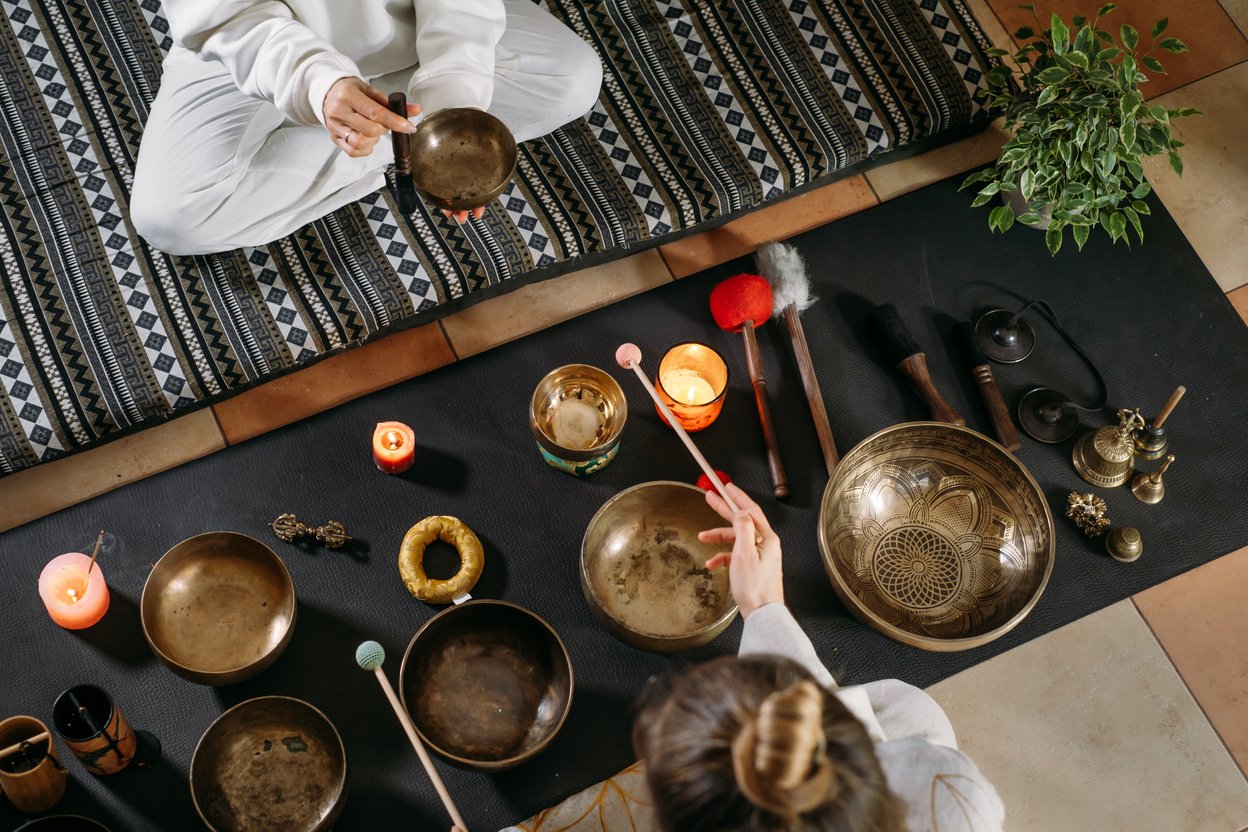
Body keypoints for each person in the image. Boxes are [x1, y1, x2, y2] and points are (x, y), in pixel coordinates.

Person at [132, 0, 603, 255]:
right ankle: (386, 125)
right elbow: (225, 16)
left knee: (574, 77)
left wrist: (454, 94)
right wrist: (314, 83)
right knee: (172, 217)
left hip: (411, 18)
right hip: (258, 36)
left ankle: (398, 125)